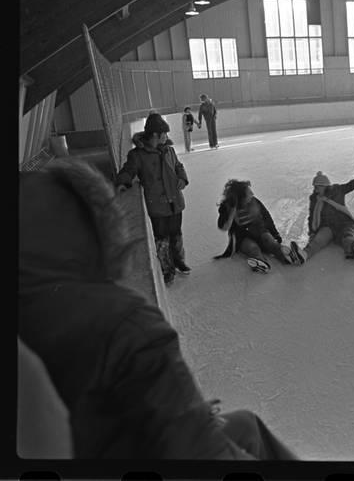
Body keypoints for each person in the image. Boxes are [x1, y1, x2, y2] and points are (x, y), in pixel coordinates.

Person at [19, 158, 296, 459]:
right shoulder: (125, 323)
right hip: (147, 450)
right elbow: (203, 453)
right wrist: (192, 417)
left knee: (245, 425)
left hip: (119, 441)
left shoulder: (30, 308)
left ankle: (280, 253)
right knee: (246, 431)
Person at [116, 111, 190, 284]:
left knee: (176, 233)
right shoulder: (138, 155)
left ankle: (179, 261)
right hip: (157, 204)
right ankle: (167, 269)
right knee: (162, 238)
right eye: (164, 133)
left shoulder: (169, 150)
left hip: (175, 201)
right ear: (155, 134)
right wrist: (122, 182)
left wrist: (182, 178)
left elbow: (178, 166)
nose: (167, 136)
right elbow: (128, 170)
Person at [214, 179, 295, 273]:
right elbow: (224, 227)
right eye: (249, 193)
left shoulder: (254, 201)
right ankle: (261, 263)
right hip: (242, 237)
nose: (252, 194)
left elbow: (266, 217)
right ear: (241, 197)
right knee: (253, 248)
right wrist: (232, 210)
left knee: (270, 242)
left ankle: (287, 257)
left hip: (259, 230)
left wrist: (275, 234)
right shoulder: (227, 207)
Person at [289, 168, 354, 265]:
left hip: (344, 223)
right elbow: (312, 216)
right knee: (318, 240)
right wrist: (312, 232)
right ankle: (304, 255)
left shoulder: (338, 190)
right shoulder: (314, 198)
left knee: (347, 237)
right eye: (315, 187)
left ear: (324, 186)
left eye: (317, 187)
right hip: (327, 226)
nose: (316, 190)